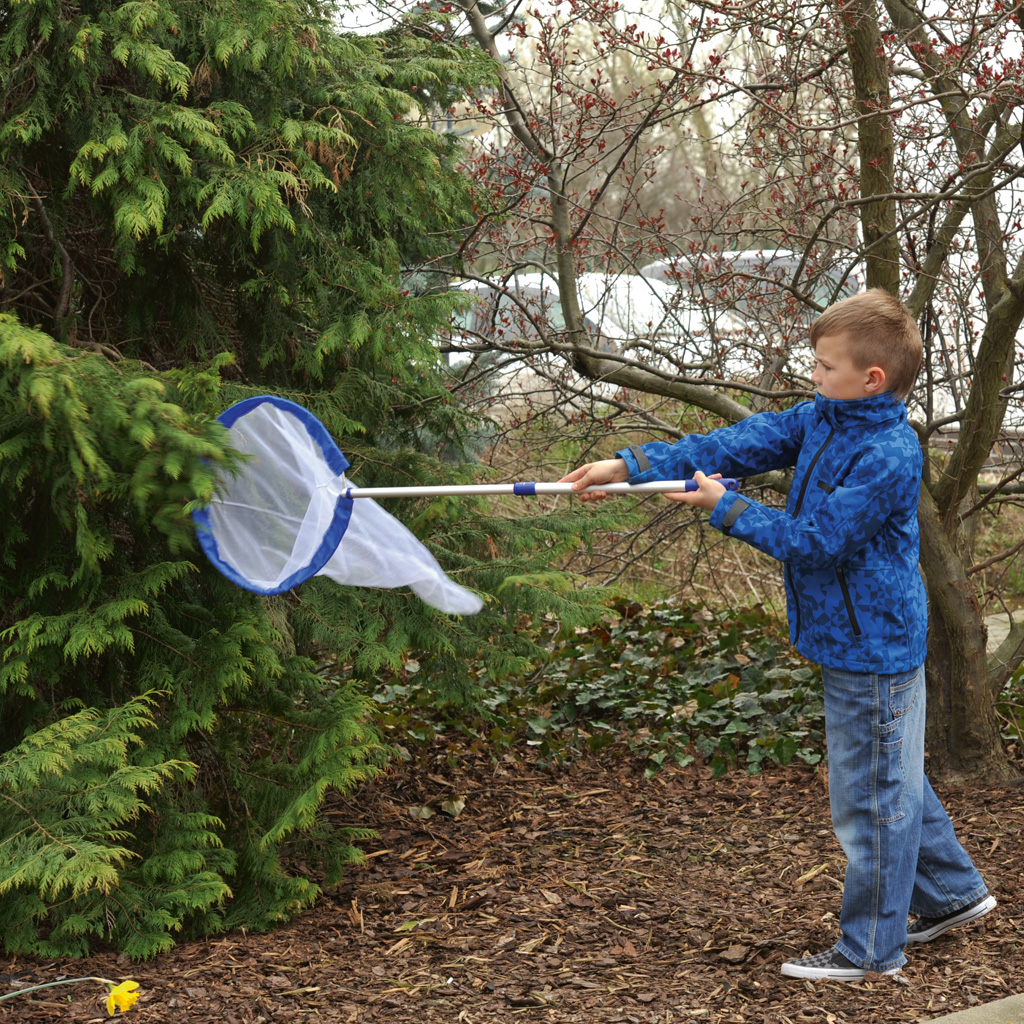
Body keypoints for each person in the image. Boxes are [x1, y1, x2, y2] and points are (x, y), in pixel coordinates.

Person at [560, 289, 995, 981]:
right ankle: (952, 894)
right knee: (891, 777)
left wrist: (726, 508)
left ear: (871, 378)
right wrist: (630, 466)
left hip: (874, 651)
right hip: (851, 642)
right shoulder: (824, 417)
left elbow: (815, 542)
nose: (813, 375)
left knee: (872, 801)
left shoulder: (886, 453)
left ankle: (871, 950)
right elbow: (734, 443)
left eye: (824, 366)